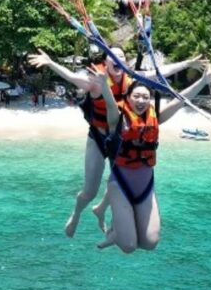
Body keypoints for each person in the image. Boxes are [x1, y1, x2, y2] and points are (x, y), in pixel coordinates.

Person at [27, 45, 134, 237]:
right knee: (89, 191)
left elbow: (160, 73)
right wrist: (51, 63)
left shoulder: (132, 79)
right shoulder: (95, 82)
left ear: (125, 62)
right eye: (113, 57)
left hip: (118, 138)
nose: (118, 59)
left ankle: (100, 210)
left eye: (121, 56)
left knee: (121, 180)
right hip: (98, 138)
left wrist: (189, 63)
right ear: (105, 62)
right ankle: (76, 214)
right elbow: (71, 77)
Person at [93, 78, 160, 253]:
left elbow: (180, 99)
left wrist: (203, 81)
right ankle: (115, 234)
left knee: (150, 243)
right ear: (128, 97)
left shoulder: (154, 116)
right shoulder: (118, 118)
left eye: (145, 97)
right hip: (120, 183)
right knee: (129, 246)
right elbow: (109, 104)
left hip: (145, 186)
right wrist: (104, 86)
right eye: (136, 96)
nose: (141, 101)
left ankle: (110, 215)